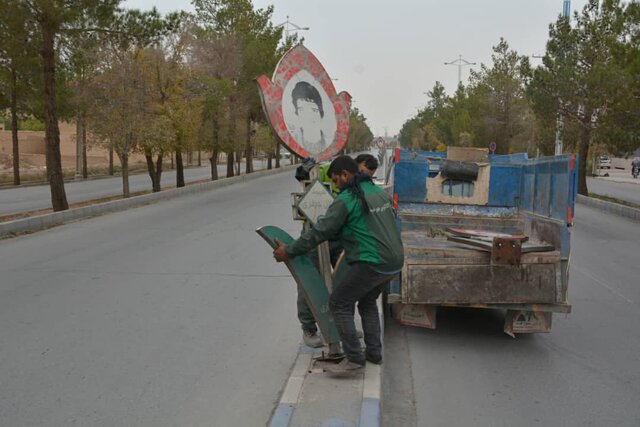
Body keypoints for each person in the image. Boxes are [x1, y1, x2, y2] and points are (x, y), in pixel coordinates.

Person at [274, 155, 404, 375]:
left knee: (339, 303)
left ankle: (354, 358)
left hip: (372, 262)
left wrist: (288, 251)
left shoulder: (346, 199)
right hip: (394, 262)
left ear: (345, 175)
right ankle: (374, 353)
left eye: (335, 180)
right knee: (367, 302)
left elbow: (320, 232)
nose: (335, 184)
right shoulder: (379, 193)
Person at [291, 81, 326, 154]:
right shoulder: (294, 141)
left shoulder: (329, 142)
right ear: (297, 113)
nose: (308, 116)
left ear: (321, 114)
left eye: (313, 110)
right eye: (301, 110)